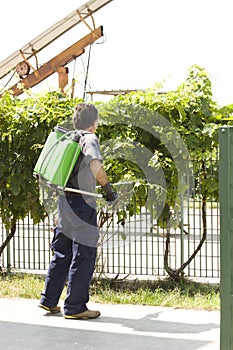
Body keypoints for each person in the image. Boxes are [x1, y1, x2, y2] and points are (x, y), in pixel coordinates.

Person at [39, 103, 118, 319]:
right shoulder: (89, 138)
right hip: (83, 205)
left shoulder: (67, 138)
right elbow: (95, 165)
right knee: (84, 255)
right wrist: (108, 189)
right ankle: (75, 307)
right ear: (94, 123)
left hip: (64, 201)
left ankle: (49, 300)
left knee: (62, 251)